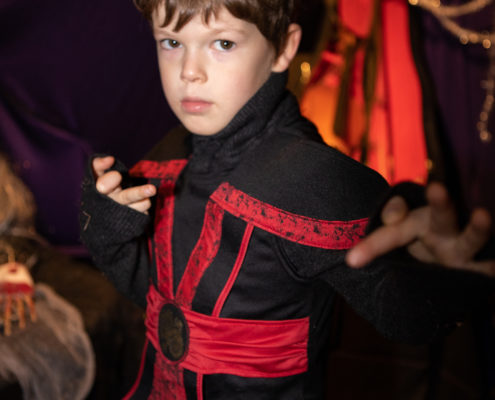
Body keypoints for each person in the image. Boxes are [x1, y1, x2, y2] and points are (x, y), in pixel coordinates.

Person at [79, 0, 494, 398]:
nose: (189, 72)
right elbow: (154, 297)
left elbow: (404, 314)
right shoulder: (166, 157)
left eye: (223, 43)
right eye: (172, 42)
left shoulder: (315, 179)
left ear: (283, 48)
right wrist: (112, 233)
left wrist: (433, 272)